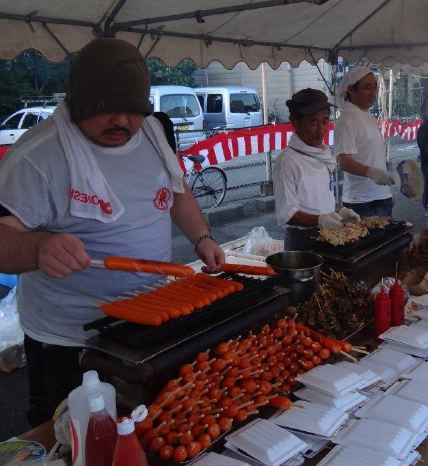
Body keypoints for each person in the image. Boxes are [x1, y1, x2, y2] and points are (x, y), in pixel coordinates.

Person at [0, 38, 225, 426]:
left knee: (144, 427)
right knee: (72, 436)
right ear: (78, 102)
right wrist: (39, 246)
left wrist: (202, 238)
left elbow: (178, 192)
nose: (121, 122)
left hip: (148, 320)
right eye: (105, 110)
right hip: (69, 339)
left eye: (132, 110)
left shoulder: (154, 132)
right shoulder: (38, 157)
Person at [273, 88, 360, 250]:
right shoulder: (287, 162)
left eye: (325, 121)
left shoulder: (323, 155)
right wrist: (320, 220)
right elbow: (287, 214)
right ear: (294, 121)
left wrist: (340, 211)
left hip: (329, 237)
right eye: (313, 122)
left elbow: (322, 200)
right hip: (303, 244)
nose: (321, 130)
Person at [334, 66, 394, 218]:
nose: (373, 93)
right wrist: (371, 172)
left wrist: (387, 190)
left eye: (375, 87)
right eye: (367, 88)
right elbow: (344, 161)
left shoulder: (368, 115)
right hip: (360, 201)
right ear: (351, 90)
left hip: (381, 196)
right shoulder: (346, 120)